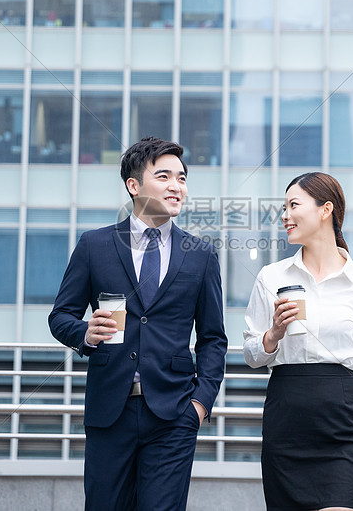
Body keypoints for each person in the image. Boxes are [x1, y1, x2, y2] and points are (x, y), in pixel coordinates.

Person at [48, 136, 228, 511]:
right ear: (134, 186)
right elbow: (60, 315)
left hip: (174, 413)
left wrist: (200, 403)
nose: (176, 186)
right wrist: (85, 332)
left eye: (181, 178)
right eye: (163, 176)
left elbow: (212, 338)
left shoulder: (201, 254)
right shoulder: (94, 246)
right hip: (109, 411)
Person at [243, 172, 353, 511]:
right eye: (283, 207)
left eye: (293, 205)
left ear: (326, 210)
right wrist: (273, 334)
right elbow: (251, 354)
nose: (284, 215)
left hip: (344, 423)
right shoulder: (271, 277)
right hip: (287, 417)